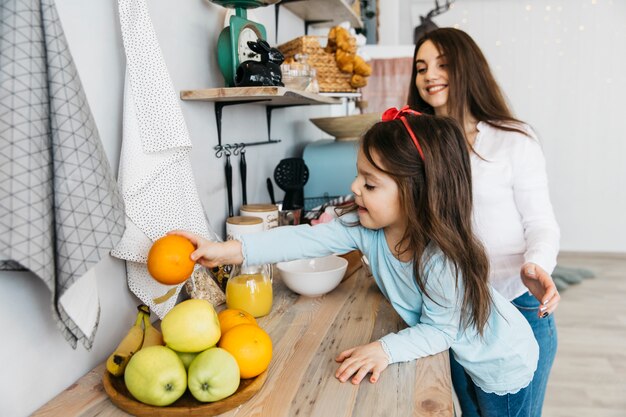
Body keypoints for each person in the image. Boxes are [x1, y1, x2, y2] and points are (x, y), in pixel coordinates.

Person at [174, 108, 539, 417]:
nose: (354, 187)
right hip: (463, 350)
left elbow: (441, 331)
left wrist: (385, 348)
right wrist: (225, 250)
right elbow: (303, 238)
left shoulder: (440, 261)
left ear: (418, 193)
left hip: (500, 364)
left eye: (371, 183)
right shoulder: (366, 228)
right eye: (358, 174)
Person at [407, 28, 561, 417]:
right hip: (454, 308)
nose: (428, 75)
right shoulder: (416, 145)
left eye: (442, 64)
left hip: (517, 306)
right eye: (421, 68)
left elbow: (541, 223)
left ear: (467, 69)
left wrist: (536, 265)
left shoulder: (514, 140)